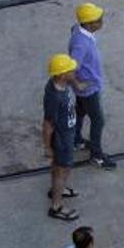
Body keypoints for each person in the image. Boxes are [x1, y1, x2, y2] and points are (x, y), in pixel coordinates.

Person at [68, 2, 117, 170]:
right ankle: (97, 154)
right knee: (98, 120)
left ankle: (76, 140)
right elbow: (72, 67)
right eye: (98, 19)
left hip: (86, 87)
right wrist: (77, 84)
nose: (102, 21)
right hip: (89, 89)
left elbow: (73, 28)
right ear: (89, 24)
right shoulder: (81, 44)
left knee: (80, 112)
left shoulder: (79, 31)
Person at [44, 53, 81, 221]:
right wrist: (48, 148)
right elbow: (48, 124)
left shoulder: (58, 84)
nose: (75, 71)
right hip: (62, 140)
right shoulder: (55, 97)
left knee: (59, 168)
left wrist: (76, 83)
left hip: (67, 134)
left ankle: (56, 190)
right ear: (61, 75)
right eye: (70, 70)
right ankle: (56, 206)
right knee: (62, 170)